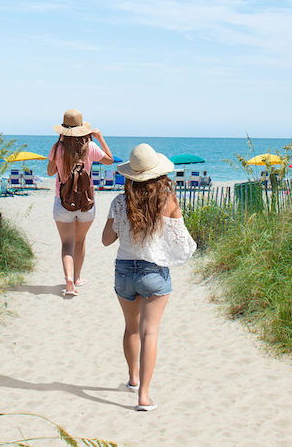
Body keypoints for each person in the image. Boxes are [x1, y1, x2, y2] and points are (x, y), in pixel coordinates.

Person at [102, 144, 187, 412]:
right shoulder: (168, 200)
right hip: (154, 272)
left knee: (131, 329)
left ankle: (133, 378)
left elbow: (106, 240)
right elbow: (182, 243)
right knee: (150, 332)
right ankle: (144, 395)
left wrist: (123, 227)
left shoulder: (119, 201)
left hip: (124, 271)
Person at [47, 109, 114, 296]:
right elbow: (109, 161)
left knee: (66, 243)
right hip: (86, 202)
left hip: (62, 202)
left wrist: (57, 148)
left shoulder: (57, 148)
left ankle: (68, 279)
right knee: (80, 240)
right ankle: (77, 277)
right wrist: (100, 138)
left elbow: (50, 172)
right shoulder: (90, 147)